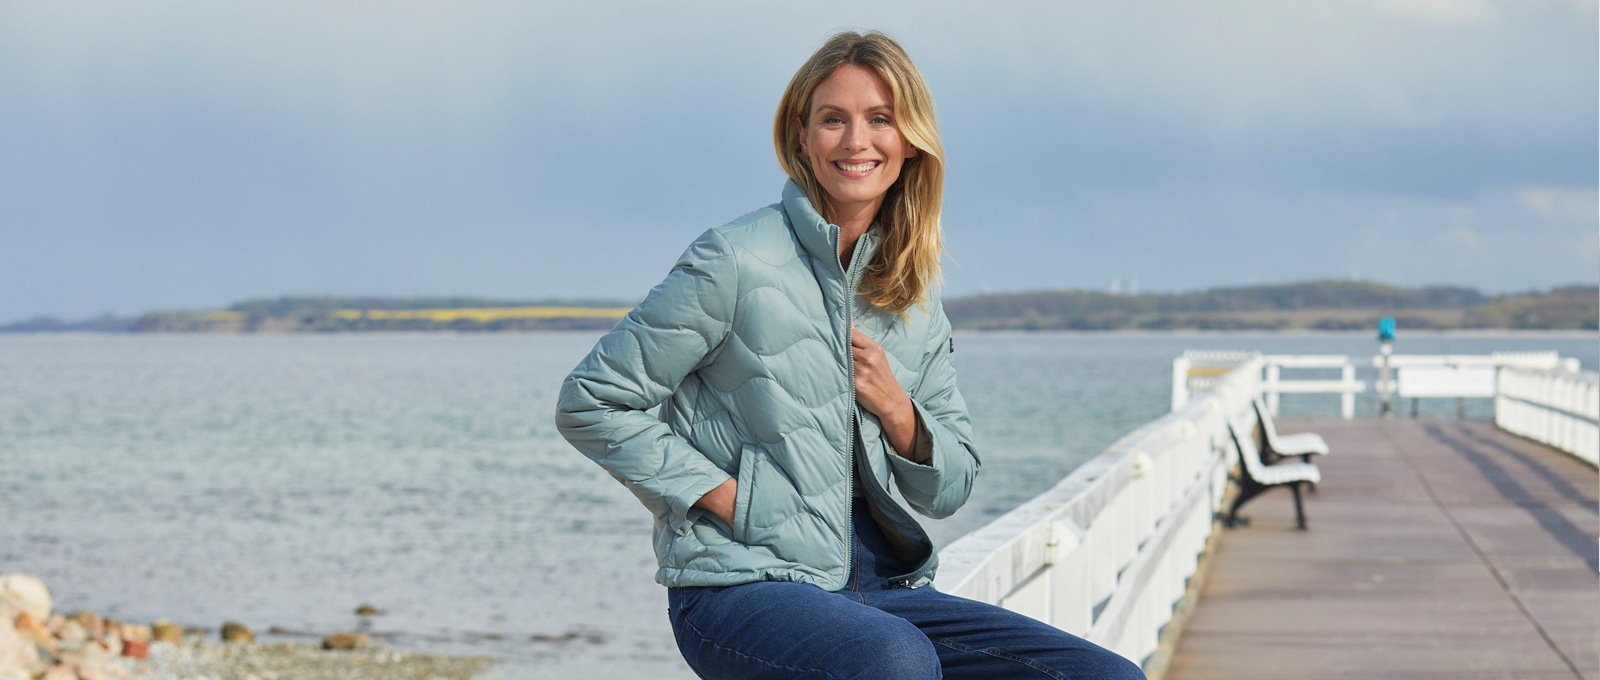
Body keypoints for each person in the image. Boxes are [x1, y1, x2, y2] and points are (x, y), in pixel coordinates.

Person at [556, 30, 1145, 680]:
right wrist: (729, 498)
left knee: (1107, 676)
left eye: (880, 119)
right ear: (801, 135)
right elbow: (592, 403)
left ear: (910, 139)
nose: (855, 141)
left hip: (884, 588)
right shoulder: (735, 260)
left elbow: (951, 488)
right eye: (833, 119)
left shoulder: (913, 293)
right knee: (896, 661)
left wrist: (899, 412)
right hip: (743, 583)